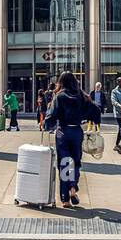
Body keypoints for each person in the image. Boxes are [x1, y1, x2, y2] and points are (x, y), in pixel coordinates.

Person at [44, 71, 101, 207]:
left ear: (61, 82)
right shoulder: (82, 96)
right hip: (76, 131)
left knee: (64, 162)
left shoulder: (60, 96)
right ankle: (73, 186)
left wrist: (47, 124)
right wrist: (93, 121)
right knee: (75, 161)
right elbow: (96, 110)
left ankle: (65, 199)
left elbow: (52, 115)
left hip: (63, 132)